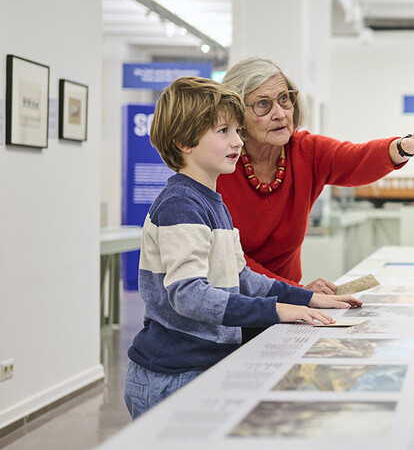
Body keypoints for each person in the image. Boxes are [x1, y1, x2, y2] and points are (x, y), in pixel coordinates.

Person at [125, 76, 363, 420]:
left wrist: (305, 298)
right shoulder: (181, 205)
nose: (238, 141)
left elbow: (241, 276)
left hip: (201, 367)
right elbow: (189, 295)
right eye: (223, 132)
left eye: (238, 131)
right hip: (173, 376)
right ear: (183, 142)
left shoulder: (211, 201)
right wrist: (276, 311)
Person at [218, 58, 414, 295]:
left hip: (286, 307)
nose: (279, 113)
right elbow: (230, 260)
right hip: (233, 309)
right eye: (263, 104)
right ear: (236, 113)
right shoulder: (220, 165)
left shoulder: (304, 150)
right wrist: (297, 292)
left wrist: (405, 146)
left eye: (284, 99)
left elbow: (356, 158)